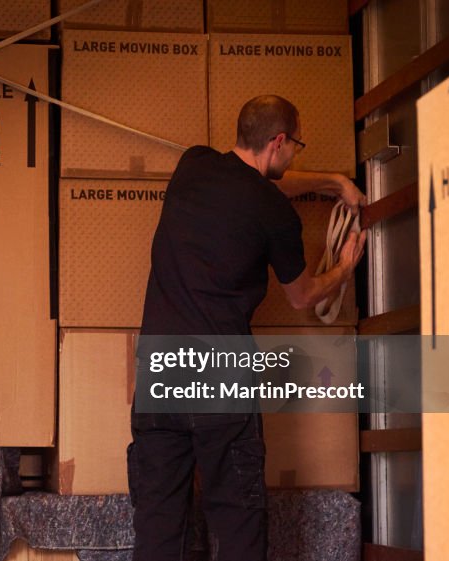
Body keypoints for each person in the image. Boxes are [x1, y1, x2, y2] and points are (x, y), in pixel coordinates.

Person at [129, 95, 367, 561]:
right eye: (296, 144)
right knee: (237, 523)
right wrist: (343, 267)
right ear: (278, 141)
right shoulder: (275, 214)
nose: (296, 153)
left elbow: (257, 183)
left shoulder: (193, 164)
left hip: (160, 374)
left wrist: (335, 182)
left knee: (158, 529)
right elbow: (301, 296)